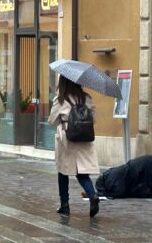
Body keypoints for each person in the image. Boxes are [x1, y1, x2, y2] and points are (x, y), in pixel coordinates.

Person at [48, 75, 100, 217]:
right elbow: (93, 119)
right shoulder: (86, 98)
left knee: (63, 170)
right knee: (82, 172)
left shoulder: (60, 99)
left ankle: (65, 204)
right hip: (84, 137)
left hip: (67, 138)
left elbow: (51, 121)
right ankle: (92, 195)